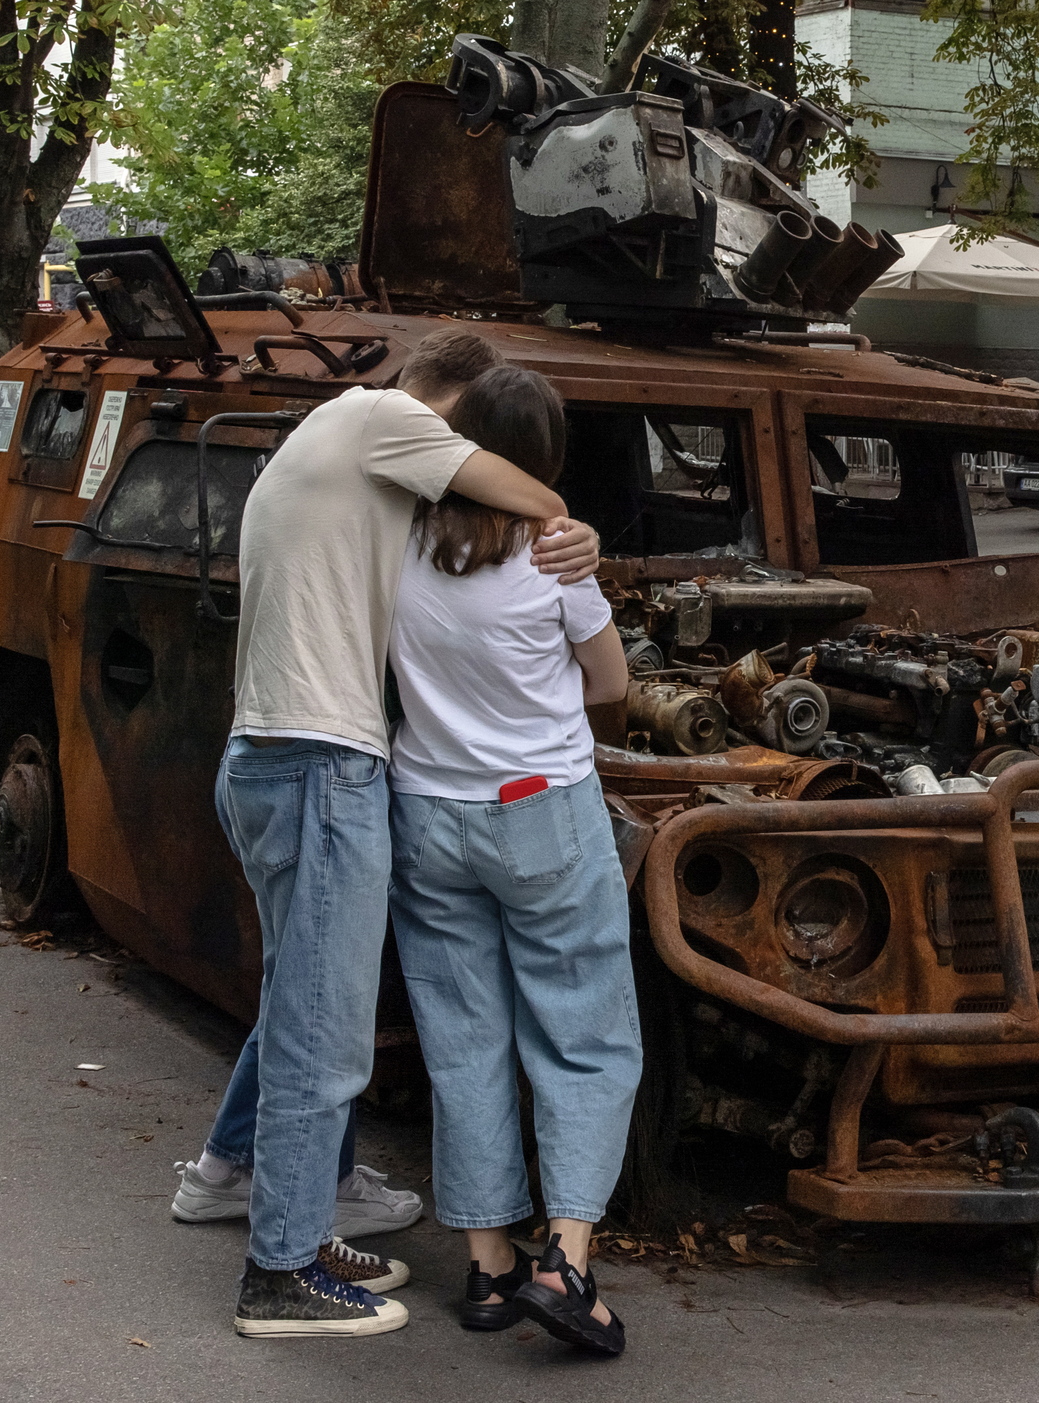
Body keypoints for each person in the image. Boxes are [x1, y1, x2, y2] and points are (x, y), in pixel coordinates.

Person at [184, 329, 602, 1339]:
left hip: (271, 752)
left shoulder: (338, 443)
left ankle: (245, 1175)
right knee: (324, 1035)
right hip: (322, 764)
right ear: (447, 409)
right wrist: (565, 523)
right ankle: (281, 1272)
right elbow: (526, 490)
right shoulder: (386, 418)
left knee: (300, 995)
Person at [384, 364, 640, 1357]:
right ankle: (565, 1264)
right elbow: (610, 684)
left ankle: (489, 1266)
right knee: (583, 1032)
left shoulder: (400, 541)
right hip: (540, 810)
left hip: (427, 812)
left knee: (463, 1038)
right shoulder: (555, 554)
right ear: (546, 459)